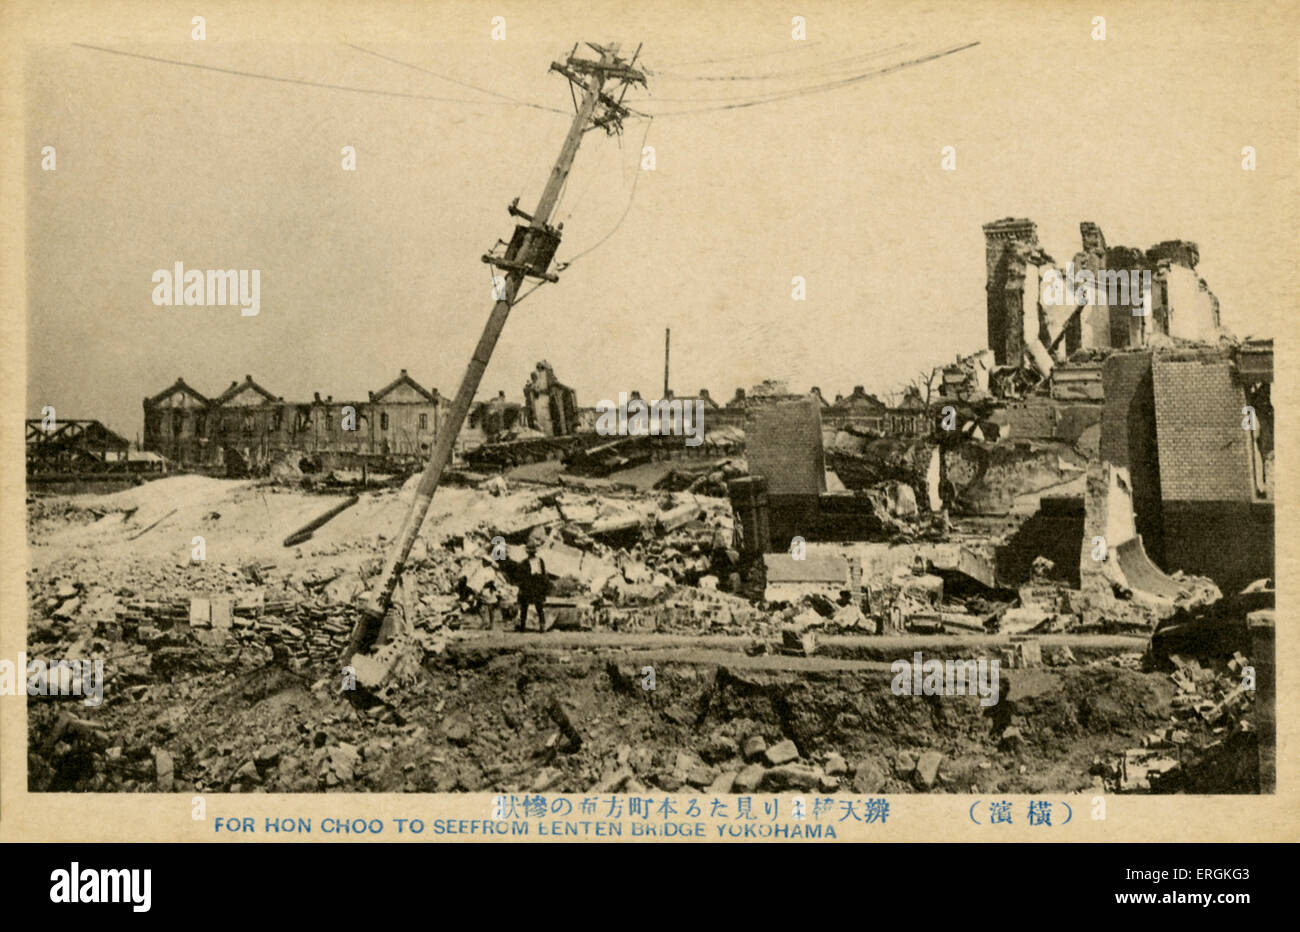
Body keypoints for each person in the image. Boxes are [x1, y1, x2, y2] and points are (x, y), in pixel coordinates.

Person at [515, 540, 549, 632]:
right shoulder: (525, 562)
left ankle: (541, 626)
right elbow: (521, 576)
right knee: (525, 607)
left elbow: (543, 574)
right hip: (529, 586)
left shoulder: (538, 561)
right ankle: (524, 626)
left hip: (536, 586)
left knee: (537, 607)